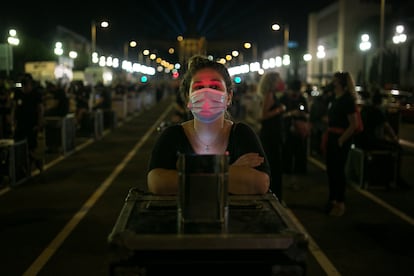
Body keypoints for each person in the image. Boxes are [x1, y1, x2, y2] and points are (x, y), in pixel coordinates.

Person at [147, 55, 270, 195]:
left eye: (214, 86)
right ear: (188, 98)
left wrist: (187, 170)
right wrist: (228, 170)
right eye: (198, 87)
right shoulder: (172, 135)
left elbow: (260, 183)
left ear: (228, 97)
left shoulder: (241, 134)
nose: (206, 92)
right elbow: (157, 184)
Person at [325, 71, 359, 216]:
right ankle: (332, 200)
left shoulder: (347, 100)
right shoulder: (335, 98)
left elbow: (354, 124)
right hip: (331, 137)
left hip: (340, 138)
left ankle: (340, 203)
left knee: (338, 171)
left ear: (341, 83)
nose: (333, 83)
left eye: (335, 81)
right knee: (331, 170)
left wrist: (341, 140)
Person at [257, 71, 286, 202]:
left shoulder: (272, 94)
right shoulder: (269, 94)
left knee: (276, 164)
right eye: (278, 80)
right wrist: (280, 110)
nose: (280, 82)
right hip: (271, 136)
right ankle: (275, 196)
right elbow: (263, 115)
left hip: (273, 134)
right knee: (274, 165)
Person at [280, 79, 310, 178]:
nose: (295, 94)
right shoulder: (284, 99)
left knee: (300, 149)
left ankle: (300, 169)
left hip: (300, 128)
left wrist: (303, 114)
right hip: (287, 128)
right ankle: (286, 169)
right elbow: (280, 115)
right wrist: (291, 113)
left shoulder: (302, 98)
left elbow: (307, 113)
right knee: (287, 150)